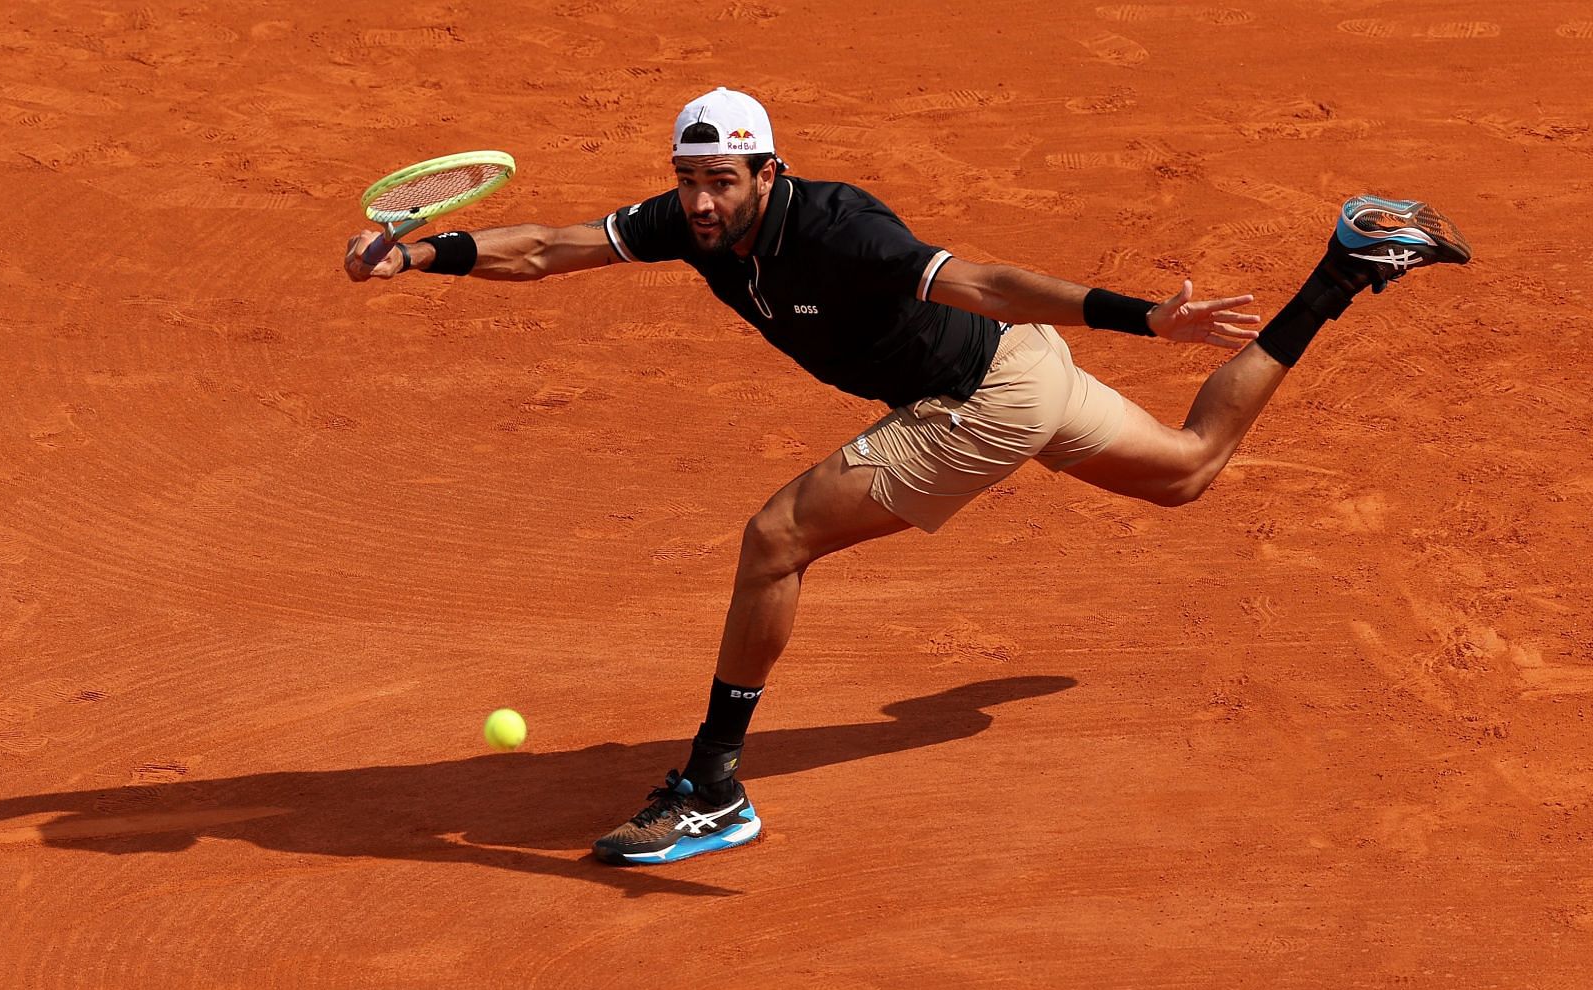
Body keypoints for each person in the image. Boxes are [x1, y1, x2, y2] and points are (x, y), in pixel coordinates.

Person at [342, 86, 1471, 867]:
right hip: (1013, 377)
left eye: (721, 181)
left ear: (767, 171)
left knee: (776, 538)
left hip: (981, 391)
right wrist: (417, 253)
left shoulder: (839, 228)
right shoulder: (682, 223)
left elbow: (976, 278)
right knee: (1187, 468)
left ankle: (712, 786)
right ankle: (1348, 263)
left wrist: (1136, 316)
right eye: (687, 179)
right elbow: (548, 247)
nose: (699, 202)